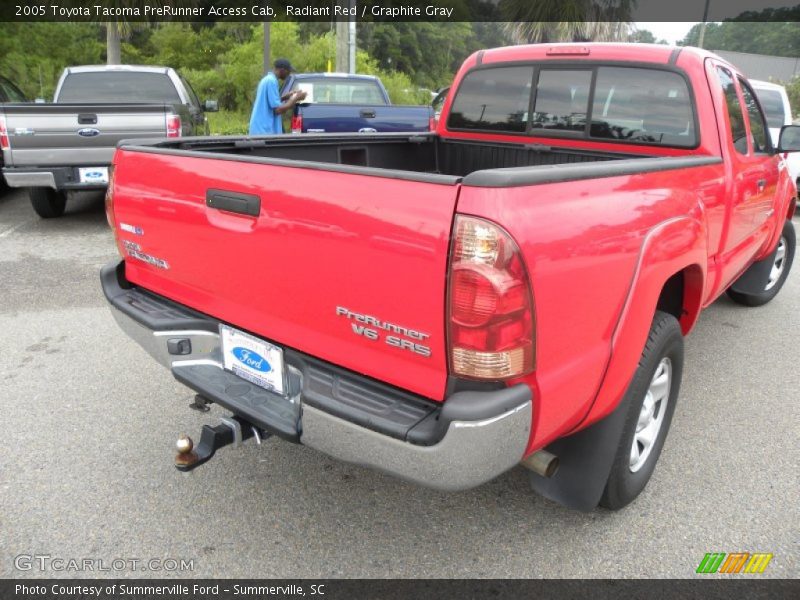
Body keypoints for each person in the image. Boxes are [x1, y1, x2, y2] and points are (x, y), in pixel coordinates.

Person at [248, 58, 307, 135]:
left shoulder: (268, 79)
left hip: (261, 129)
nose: (289, 74)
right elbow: (278, 110)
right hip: (263, 130)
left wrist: (285, 97)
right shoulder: (271, 82)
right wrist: (295, 98)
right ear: (282, 70)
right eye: (288, 71)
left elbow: (269, 102)